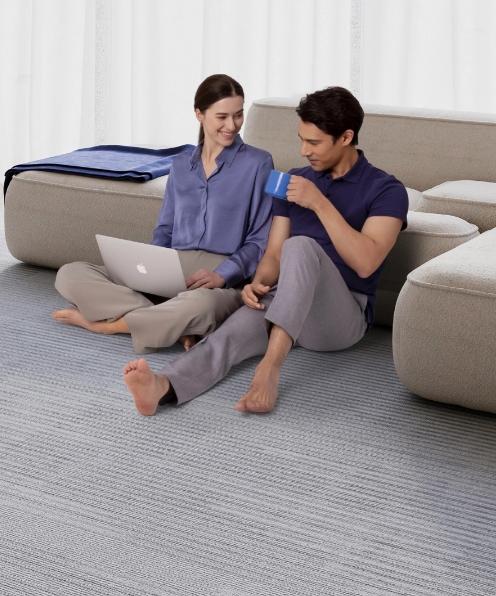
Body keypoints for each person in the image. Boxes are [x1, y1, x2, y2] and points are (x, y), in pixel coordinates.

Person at [122, 86, 408, 415]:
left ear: (346, 137)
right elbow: (272, 255)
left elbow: (366, 263)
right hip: (283, 297)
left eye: (313, 143)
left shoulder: (387, 190)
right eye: (301, 139)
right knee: (226, 336)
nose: (303, 152)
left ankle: (270, 369)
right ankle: (161, 387)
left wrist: (318, 202)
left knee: (300, 246)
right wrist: (258, 282)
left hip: (340, 316)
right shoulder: (291, 180)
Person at [52, 74, 274, 355]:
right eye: (222, 117)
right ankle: (170, 320)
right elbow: (166, 228)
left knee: (201, 306)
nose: (232, 125)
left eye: (238, 115)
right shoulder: (181, 164)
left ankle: (112, 325)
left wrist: (222, 275)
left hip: (220, 278)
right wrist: (147, 267)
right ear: (199, 114)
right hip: (170, 269)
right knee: (70, 274)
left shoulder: (258, 163)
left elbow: (259, 240)